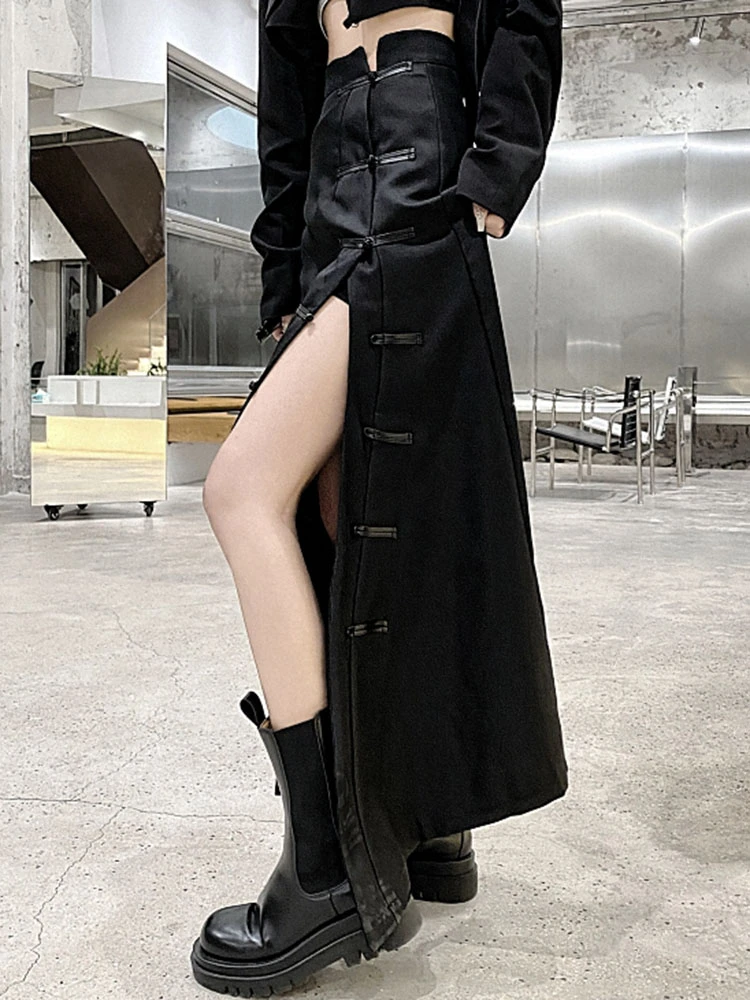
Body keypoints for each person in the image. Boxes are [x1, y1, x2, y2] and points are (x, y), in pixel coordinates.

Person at [191, 0, 568, 994]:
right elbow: (286, 120)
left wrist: (495, 171)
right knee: (351, 516)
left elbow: (524, 13)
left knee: (241, 491)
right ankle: (425, 825)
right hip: (331, 209)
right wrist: (284, 278)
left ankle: (328, 868)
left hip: (417, 190)